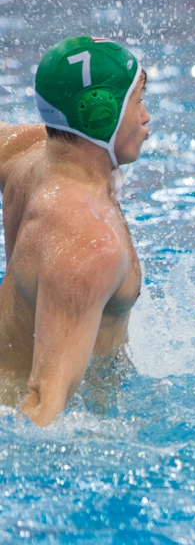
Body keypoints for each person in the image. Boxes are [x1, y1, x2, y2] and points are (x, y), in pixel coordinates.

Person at [0, 37, 150, 426]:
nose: (146, 116)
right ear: (101, 114)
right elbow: (42, 406)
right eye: (138, 101)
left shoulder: (29, 153)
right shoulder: (87, 240)